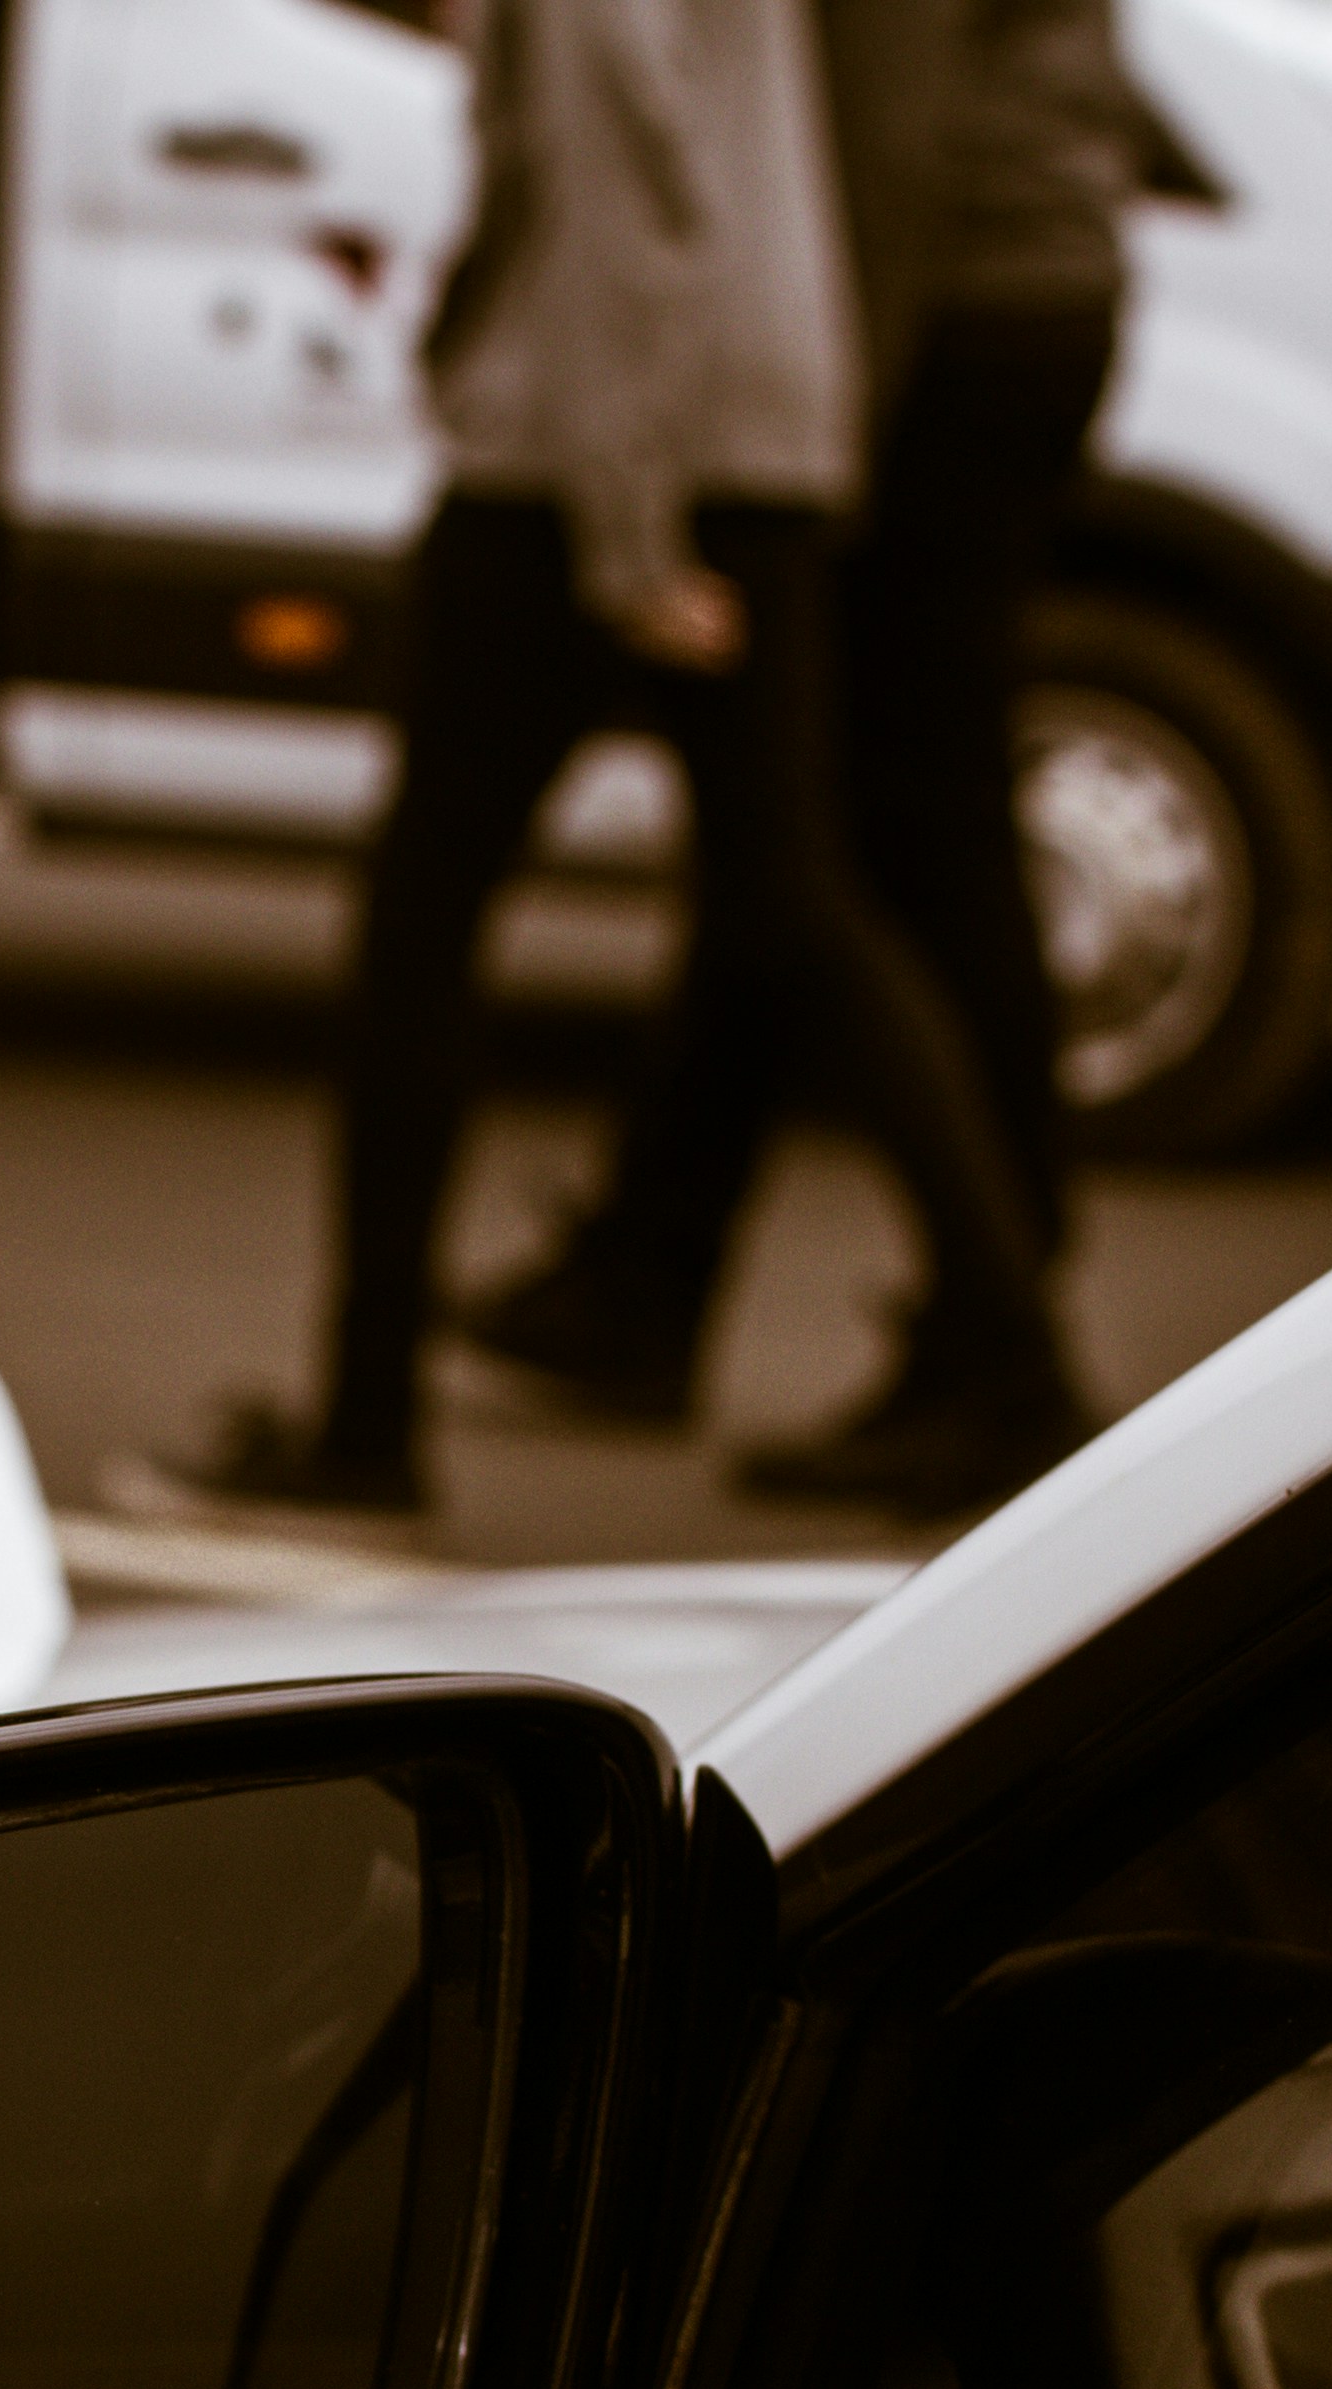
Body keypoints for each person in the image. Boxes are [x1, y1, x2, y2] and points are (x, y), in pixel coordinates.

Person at [126, 0, 1076, 1531]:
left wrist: (627, 528)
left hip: (580, 458)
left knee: (427, 916)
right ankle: (1013, 1345)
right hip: (764, 429)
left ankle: (365, 1427)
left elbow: (625, 176)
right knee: (794, 902)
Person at [458, 0, 1138, 1510]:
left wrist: (814, 459)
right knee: (801, 833)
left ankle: (989, 1334)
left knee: (900, 838)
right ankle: (652, 1266)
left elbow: (884, 137)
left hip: (938, 314)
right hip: (1026, 279)